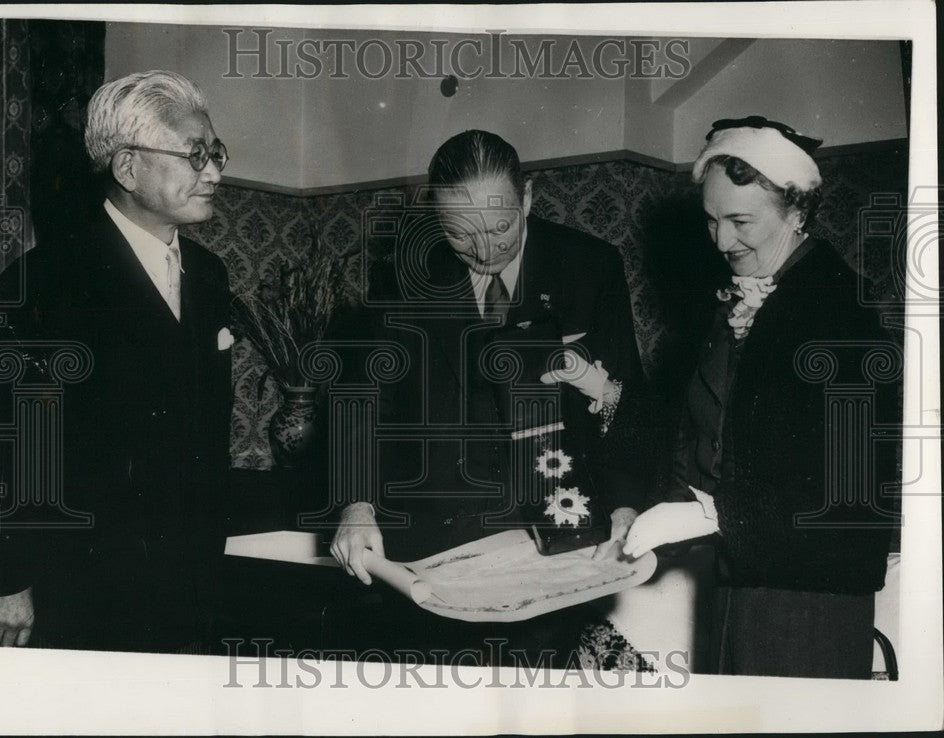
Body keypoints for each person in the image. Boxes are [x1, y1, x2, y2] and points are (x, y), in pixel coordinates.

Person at [329, 130, 653, 665]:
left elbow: (627, 399)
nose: (485, 250)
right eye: (461, 234)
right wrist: (357, 501)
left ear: (528, 198)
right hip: (440, 543)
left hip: (560, 531)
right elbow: (364, 397)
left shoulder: (589, 266)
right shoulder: (406, 275)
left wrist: (625, 501)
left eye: (502, 225)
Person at [623, 116, 900, 678]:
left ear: (796, 211)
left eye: (741, 220)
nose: (722, 241)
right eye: (711, 221)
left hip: (809, 599)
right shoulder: (746, 300)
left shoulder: (838, 314)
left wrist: (710, 516)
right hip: (744, 577)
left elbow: (848, 501)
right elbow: (706, 426)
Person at [0, 70, 234, 653]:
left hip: (191, 581)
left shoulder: (211, 276)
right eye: (196, 156)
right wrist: (6, 580)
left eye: (214, 152)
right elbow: (6, 444)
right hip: (85, 586)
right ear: (126, 167)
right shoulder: (44, 283)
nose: (215, 171)